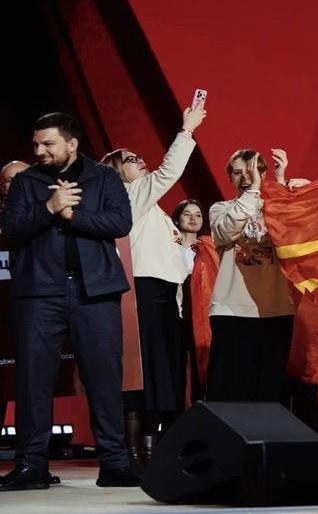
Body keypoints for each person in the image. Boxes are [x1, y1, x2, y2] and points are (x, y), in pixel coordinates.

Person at [0, 112, 138, 490]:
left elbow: (119, 223)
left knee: (104, 378)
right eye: (36, 144)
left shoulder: (104, 177)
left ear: (72, 144)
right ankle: (31, 466)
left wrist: (72, 214)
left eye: (48, 144)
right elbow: (12, 229)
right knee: (33, 380)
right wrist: (48, 207)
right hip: (39, 293)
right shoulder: (26, 182)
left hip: (95, 291)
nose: (39, 151)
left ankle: (114, 463)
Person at [100, 103, 206, 467]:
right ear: (117, 172)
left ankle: (155, 450)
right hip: (145, 293)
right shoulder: (130, 195)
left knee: (164, 375)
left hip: (165, 296)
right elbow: (167, 172)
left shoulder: (151, 209)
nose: (140, 161)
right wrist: (187, 131)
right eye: (131, 159)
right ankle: (135, 454)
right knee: (144, 375)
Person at [207, 148, 295, 402]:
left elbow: (292, 232)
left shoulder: (278, 207)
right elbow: (226, 231)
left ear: (264, 173)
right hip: (232, 310)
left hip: (275, 310)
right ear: (230, 177)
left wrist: (280, 184)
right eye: (238, 173)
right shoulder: (221, 209)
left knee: (268, 394)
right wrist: (255, 191)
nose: (245, 178)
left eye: (252, 172)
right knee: (230, 393)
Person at [171, 199, 213, 404]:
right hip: (175, 315)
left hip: (201, 315)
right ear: (177, 219)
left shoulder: (209, 248)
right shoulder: (168, 248)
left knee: (201, 366)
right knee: (175, 367)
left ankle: (200, 407)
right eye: (187, 214)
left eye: (198, 215)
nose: (193, 218)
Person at [0, 160, 30, 439]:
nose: (16, 183)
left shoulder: (52, 215)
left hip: (33, 309)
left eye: (22, 177)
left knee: (34, 381)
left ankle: (32, 449)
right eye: (10, 180)